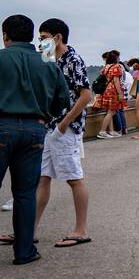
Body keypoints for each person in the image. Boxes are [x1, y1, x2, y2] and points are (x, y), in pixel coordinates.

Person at [0, 15, 70, 265]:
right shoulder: (46, 62)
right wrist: (44, 113)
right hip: (34, 130)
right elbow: (64, 100)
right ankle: (24, 250)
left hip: (1, 126)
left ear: (5, 35)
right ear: (31, 36)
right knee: (25, 193)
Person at [30, 19, 93, 250]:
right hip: (50, 126)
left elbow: (86, 95)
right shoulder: (49, 60)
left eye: (44, 37)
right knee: (42, 177)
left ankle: (81, 229)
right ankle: (30, 229)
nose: (41, 42)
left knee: (74, 177)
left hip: (64, 127)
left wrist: (65, 123)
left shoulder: (73, 60)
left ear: (57, 37)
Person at [94, 50, 128, 137]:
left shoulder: (106, 67)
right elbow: (116, 81)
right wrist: (120, 93)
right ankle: (102, 131)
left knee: (110, 111)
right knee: (111, 112)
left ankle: (111, 131)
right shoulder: (116, 67)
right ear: (115, 58)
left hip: (107, 90)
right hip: (113, 91)